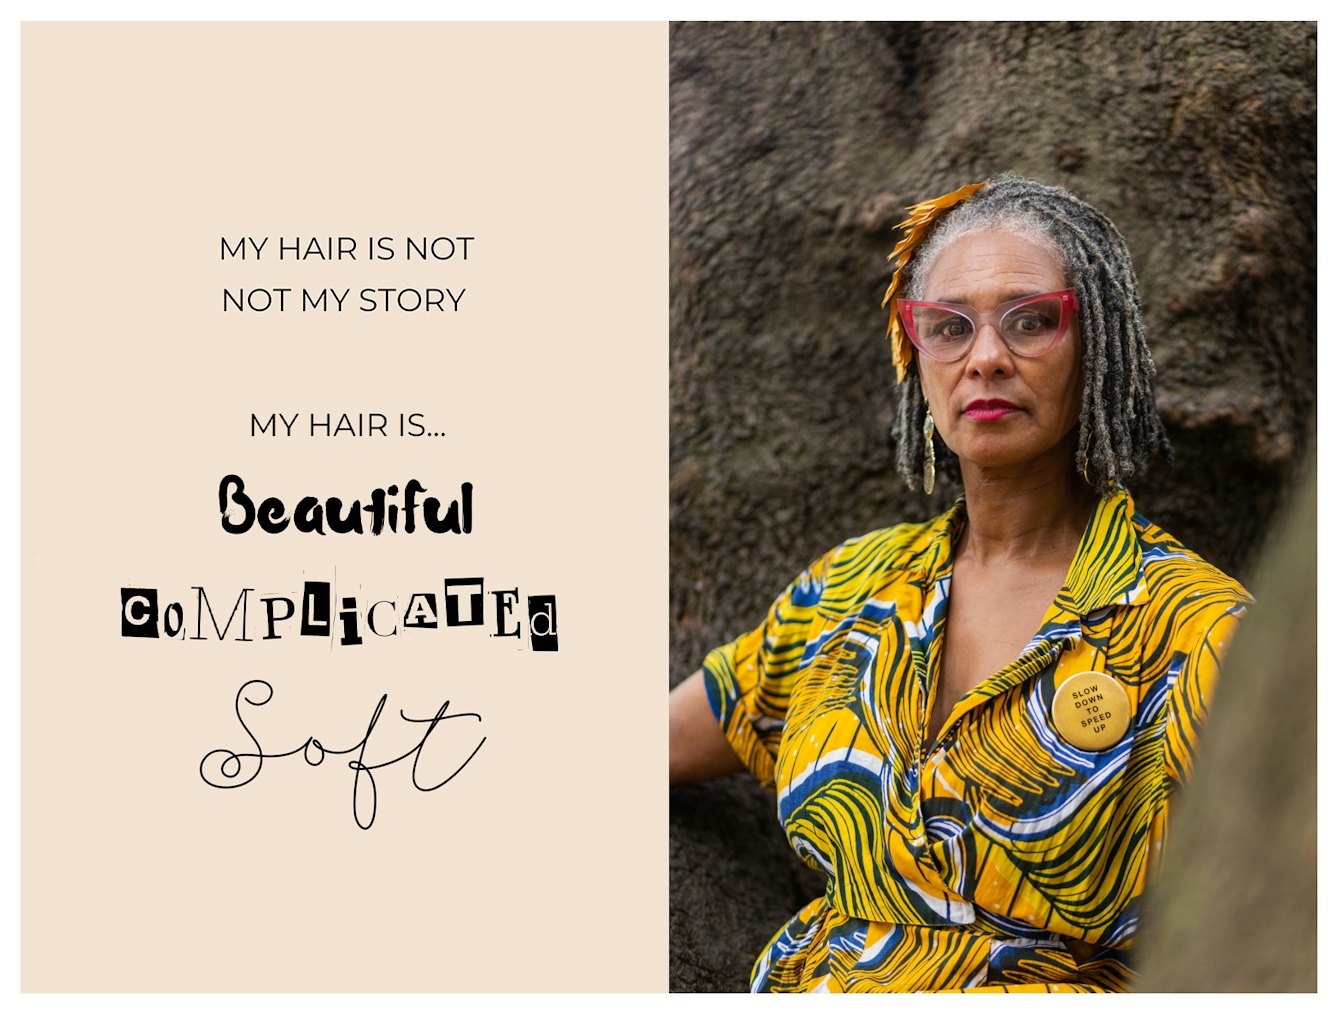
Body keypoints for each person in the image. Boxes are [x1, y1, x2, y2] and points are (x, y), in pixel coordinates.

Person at [668, 174, 1250, 992]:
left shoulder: (1199, 628)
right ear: (917, 353)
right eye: (948, 327)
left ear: (1098, 344)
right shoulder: (853, 588)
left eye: (1031, 321)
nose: (985, 358)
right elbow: (664, 740)